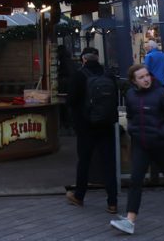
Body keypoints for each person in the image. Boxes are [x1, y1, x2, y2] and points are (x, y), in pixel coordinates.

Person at [110, 64, 164, 235]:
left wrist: (162, 133)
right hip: (141, 144)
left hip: (161, 145)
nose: (146, 79)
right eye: (141, 77)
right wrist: (132, 130)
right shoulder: (130, 95)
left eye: (147, 75)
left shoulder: (161, 94)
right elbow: (130, 116)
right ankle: (130, 220)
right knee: (136, 180)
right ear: (134, 81)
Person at [65, 47, 119, 214]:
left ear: (84, 60)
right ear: (97, 58)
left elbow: (71, 101)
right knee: (108, 163)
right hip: (106, 126)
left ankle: (79, 195)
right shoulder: (108, 75)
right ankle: (112, 202)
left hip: (86, 126)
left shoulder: (79, 76)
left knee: (84, 161)